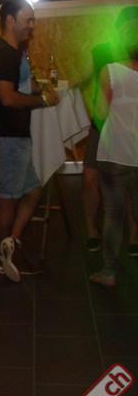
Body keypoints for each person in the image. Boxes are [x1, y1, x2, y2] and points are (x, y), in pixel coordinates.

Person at [0, 0, 59, 283]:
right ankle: (5, 259)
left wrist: (41, 89)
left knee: (33, 191)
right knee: (8, 198)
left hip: (12, 138)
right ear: (10, 21)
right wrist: (43, 101)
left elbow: (24, 85)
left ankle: (11, 244)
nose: (32, 25)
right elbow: (9, 98)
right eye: (28, 20)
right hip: (6, 138)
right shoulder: (2, 54)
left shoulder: (15, 52)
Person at [80, 6, 138, 255]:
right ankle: (92, 230)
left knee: (130, 181)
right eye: (127, 28)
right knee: (90, 178)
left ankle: (134, 234)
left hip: (131, 130)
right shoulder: (101, 52)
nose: (131, 33)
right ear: (118, 30)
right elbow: (82, 81)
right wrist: (92, 108)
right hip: (101, 126)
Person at [88, 32, 138, 286]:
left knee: (113, 214)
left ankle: (109, 273)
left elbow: (100, 112)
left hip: (116, 152)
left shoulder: (110, 72)